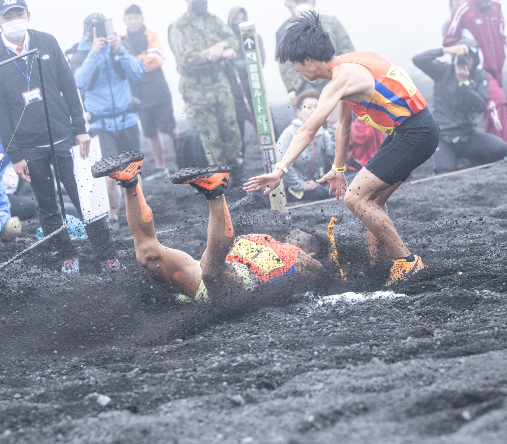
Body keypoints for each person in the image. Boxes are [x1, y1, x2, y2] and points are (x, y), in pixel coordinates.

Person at [245, 12, 439, 286]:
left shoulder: (341, 79)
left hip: (415, 133)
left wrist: (280, 170)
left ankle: (407, 262)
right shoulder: (347, 66)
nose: (295, 71)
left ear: (309, 60)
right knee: (373, 200)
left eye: (295, 64)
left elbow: (307, 129)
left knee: (355, 198)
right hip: (411, 129)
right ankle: (378, 268)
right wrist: (338, 169)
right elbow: (342, 127)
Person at [91, 152, 324, 301]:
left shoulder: (300, 257)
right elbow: (226, 245)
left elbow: (325, 275)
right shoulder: (265, 240)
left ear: (310, 250)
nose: (292, 237)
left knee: (147, 256)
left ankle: (130, 181)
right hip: (223, 276)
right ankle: (133, 179)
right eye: (292, 236)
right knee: (152, 254)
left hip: (226, 278)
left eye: (298, 238)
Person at [0, 1, 119, 273]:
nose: (15, 19)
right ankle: (66, 254)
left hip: (64, 136)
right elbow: (1, 113)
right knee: (47, 204)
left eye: (19, 13)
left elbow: (68, 85)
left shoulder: (46, 41)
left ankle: (106, 254)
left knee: (84, 197)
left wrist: (80, 128)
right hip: (30, 146)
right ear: (0, 21)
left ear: (28, 15)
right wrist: (15, 155)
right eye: (8, 16)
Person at [73, 12, 145, 231]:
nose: (99, 34)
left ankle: (141, 214)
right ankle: (114, 217)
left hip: (127, 119)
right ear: (86, 33)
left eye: (102, 28)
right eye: (93, 30)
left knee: (133, 171)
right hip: (100, 125)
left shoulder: (120, 47)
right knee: (110, 177)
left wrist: (121, 49)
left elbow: (137, 71)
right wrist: (94, 53)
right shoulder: (78, 55)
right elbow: (79, 82)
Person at [169, 0, 244, 184]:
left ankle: (237, 172)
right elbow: (186, 58)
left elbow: (232, 39)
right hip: (197, 90)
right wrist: (214, 53)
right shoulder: (178, 27)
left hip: (220, 84)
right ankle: (218, 178)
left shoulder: (213, 20)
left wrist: (220, 47)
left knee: (231, 128)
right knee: (211, 136)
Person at [413, 43, 507, 174]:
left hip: (467, 135)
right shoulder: (442, 71)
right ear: (454, 58)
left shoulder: (479, 76)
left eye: (468, 58)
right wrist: (447, 50)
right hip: (441, 137)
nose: (463, 61)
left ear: (475, 60)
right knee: (445, 171)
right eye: (460, 57)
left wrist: (464, 83)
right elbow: (418, 59)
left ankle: (474, 159)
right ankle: (447, 158)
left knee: (500, 149)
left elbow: (480, 106)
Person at [443, 0, 507, 152]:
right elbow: (449, 42)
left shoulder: (496, 7)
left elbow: (502, 34)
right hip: (480, 70)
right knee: (498, 102)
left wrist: (502, 54)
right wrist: (469, 62)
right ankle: (506, 148)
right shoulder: (464, 10)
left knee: (491, 108)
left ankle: (493, 151)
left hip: (497, 67)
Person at [122, 4, 179, 181]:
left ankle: (181, 163)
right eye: (129, 18)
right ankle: (161, 167)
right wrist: (140, 61)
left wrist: (132, 62)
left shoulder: (150, 34)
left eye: (136, 17)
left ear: (142, 18)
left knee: (171, 128)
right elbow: (123, 64)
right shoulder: (120, 38)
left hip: (158, 89)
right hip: (138, 93)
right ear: (125, 20)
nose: (133, 21)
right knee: (150, 132)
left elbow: (157, 58)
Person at [275, 0, 354, 100]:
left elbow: (349, 53)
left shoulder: (332, 23)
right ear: (288, 4)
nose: (301, 4)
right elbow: (285, 65)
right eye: (297, 1)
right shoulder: (286, 30)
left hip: (336, 78)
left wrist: (339, 77)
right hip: (307, 88)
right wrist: (301, 88)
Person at [279, 90, 335, 202]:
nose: (313, 111)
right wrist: (301, 185)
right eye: (309, 108)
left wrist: (331, 126)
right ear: (299, 112)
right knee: (323, 193)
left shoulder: (321, 131)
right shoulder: (290, 133)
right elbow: (282, 165)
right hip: (288, 186)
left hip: (312, 181)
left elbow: (333, 151)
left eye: (316, 107)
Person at [226, 6, 264, 154]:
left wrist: (236, 62)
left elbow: (259, 61)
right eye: (236, 20)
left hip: (255, 93)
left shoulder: (255, 38)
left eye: (242, 19)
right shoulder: (227, 43)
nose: (238, 23)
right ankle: (238, 172)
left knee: (269, 130)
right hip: (234, 97)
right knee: (237, 138)